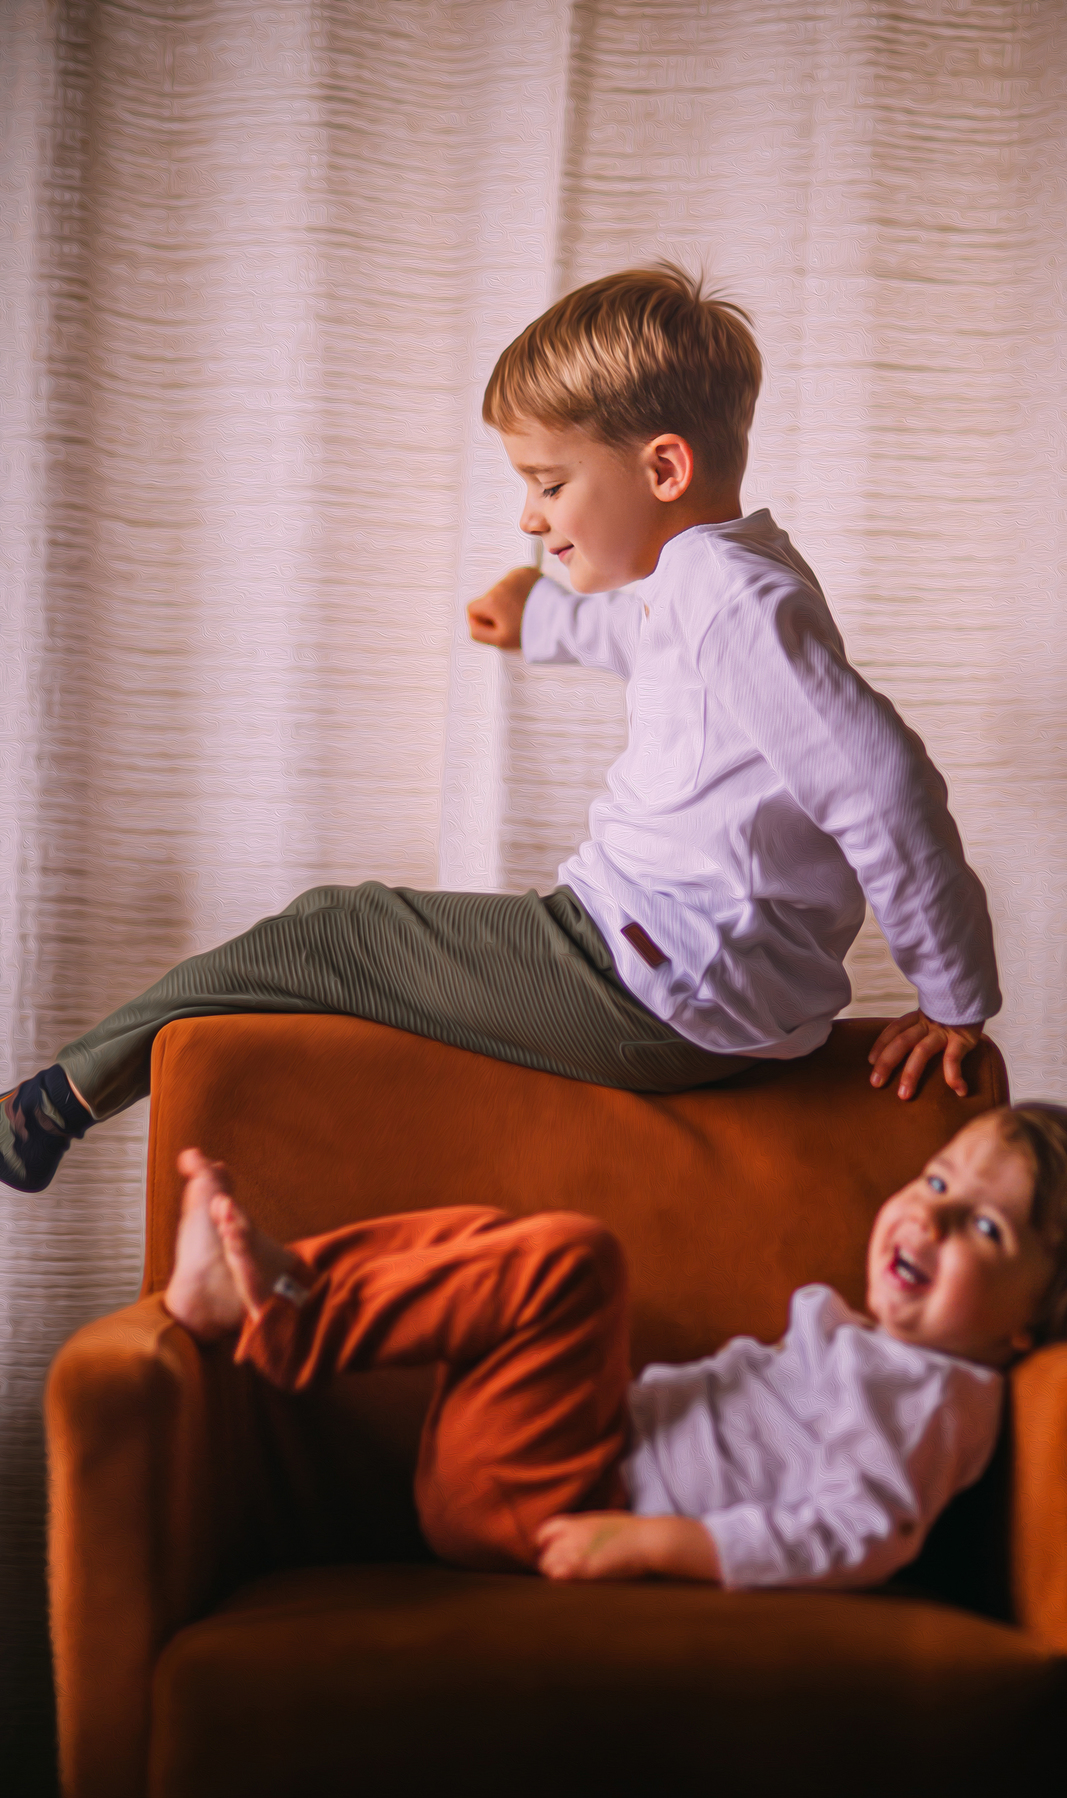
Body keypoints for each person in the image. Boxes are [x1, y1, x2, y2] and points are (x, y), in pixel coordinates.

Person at [2, 264, 1001, 1197]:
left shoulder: (726, 594)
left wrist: (953, 993)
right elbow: (651, 639)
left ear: (663, 467)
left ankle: (48, 1107)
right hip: (699, 981)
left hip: (656, 974)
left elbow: (882, 783)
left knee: (331, 931)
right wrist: (545, 619)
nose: (530, 515)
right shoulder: (721, 577)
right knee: (357, 971)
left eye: (550, 483)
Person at [163, 1103, 1067, 1589]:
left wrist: (666, 1544)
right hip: (556, 1458)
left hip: (572, 1500)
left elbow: (860, 1534)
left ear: (1035, 1326)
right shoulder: (885, 1355)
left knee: (576, 1262)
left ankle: (278, 1312)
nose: (930, 1217)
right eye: (936, 1183)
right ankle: (277, 1283)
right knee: (493, 1241)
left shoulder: (933, 1400)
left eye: (986, 1228)